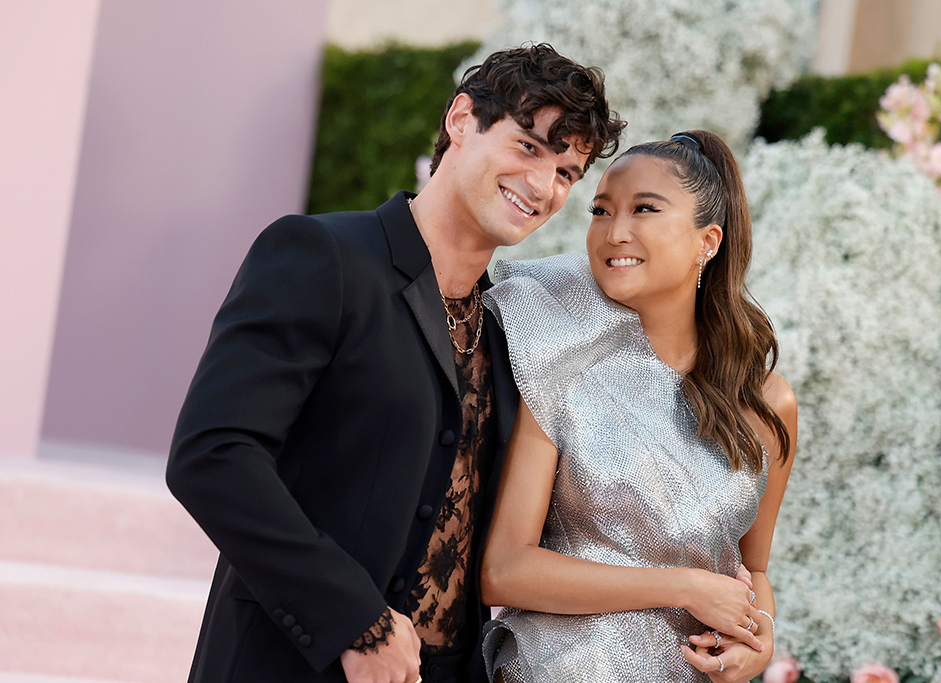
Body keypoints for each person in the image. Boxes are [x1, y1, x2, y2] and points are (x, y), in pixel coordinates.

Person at [165, 44, 624, 683]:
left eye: (568, 172)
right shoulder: (321, 256)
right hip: (293, 662)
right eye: (528, 147)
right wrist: (357, 621)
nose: (545, 186)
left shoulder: (512, 324)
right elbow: (212, 456)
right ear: (461, 120)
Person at [478, 130, 798, 683]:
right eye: (601, 211)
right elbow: (504, 570)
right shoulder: (557, 347)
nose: (614, 232)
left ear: (709, 240)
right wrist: (683, 585)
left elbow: (755, 569)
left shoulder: (768, 401)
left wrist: (760, 638)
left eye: (644, 209)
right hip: (559, 669)